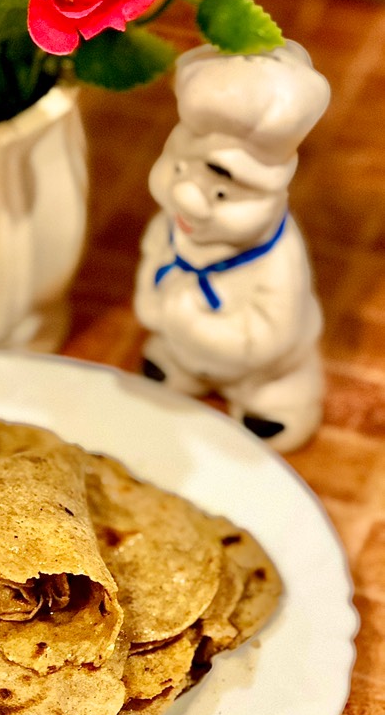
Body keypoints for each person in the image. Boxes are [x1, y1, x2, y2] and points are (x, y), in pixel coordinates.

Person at [134, 41, 331, 453]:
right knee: (169, 357)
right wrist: (154, 306)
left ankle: (269, 397)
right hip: (181, 339)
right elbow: (155, 256)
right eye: (178, 169)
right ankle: (183, 364)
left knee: (275, 384)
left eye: (222, 194)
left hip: (261, 367)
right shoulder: (175, 224)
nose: (186, 198)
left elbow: (272, 335)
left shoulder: (277, 260)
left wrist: (199, 329)